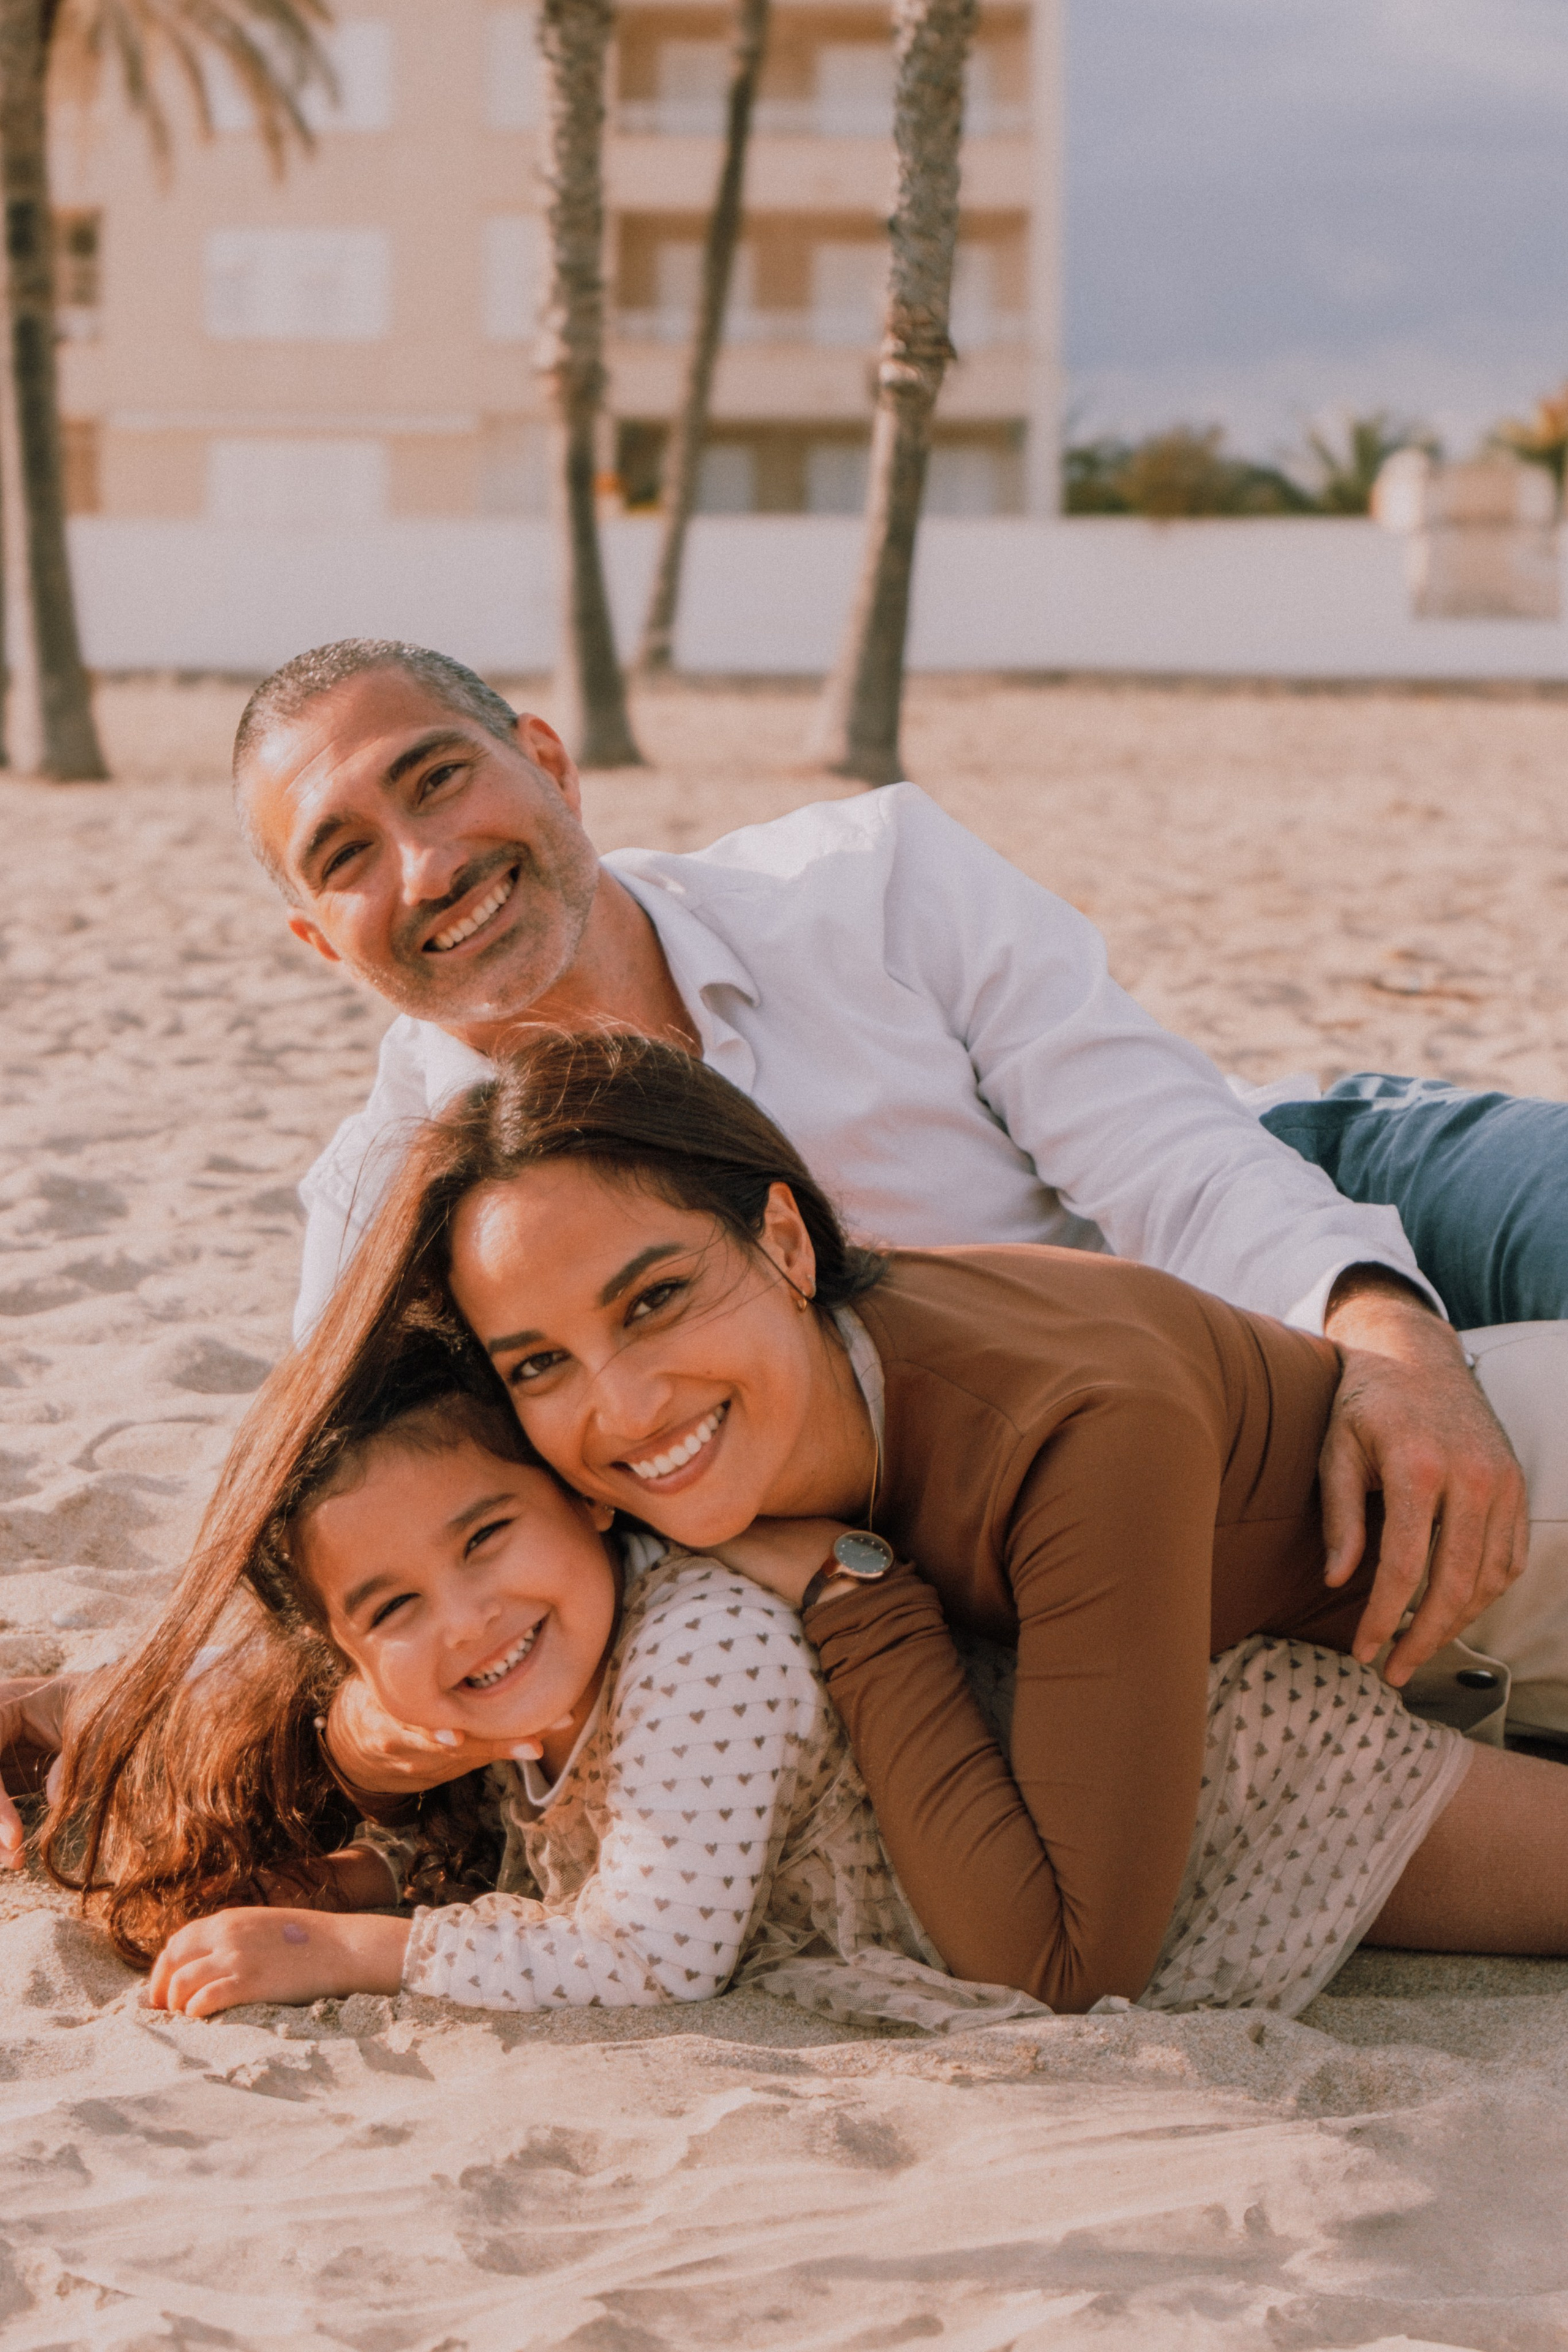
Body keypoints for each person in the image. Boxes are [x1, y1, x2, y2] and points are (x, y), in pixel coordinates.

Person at [130, 1027, 1568, 2021]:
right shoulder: (638, 1466)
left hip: (1513, 1535)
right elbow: (409, 1584)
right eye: (541, 1363)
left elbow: (1064, 1970)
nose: (623, 1406)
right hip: (1365, 1671)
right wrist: (363, 1740)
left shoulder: (1066, 1434)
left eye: (654, 1299)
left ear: (784, 1239)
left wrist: (853, 1594)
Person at [51, 1330, 1035, 2031]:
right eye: (394, 1609)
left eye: (485, 1537)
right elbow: (540, 1852)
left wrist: (345, 1951)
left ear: (586, 1497)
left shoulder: (707, 1640)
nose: (465, 1620)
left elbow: (654, 1959)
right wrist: (363, 1879)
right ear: (346, 1659)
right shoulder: (529, 1674)